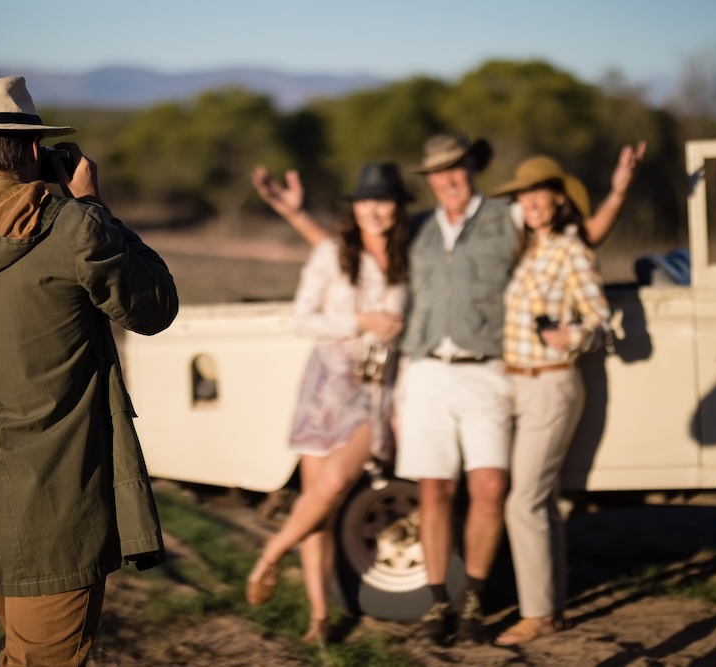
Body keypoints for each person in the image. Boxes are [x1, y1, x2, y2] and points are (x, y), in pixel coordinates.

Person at [271, 133, 642, 646]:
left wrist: (618, 193)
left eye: (457, 167)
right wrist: (296, 217)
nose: (448, 179)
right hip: (424, 373)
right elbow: (360, 242)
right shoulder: (417, 228)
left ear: (472, 168)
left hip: (487, 369)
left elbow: (579, 236)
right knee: (435, 490)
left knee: (490, 487)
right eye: (438, 172)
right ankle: (437, 604)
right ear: (430, 181)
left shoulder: (505, 218)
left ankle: (472, 601)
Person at [0, 76, 179, 666]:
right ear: (32, 151)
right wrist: (94, 203)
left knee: (21, 651)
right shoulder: (75, 229)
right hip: (60, 497)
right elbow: (155, 308)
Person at [245, 162, 412, 643]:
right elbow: (304, 319)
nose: (375, 210)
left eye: (384, 201)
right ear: (354, 208)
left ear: (398, 209)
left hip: (378, 389)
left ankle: (271, 553)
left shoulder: (410, 259)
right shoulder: (331, 254)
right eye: (366, 201)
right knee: (320, 509)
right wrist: (360, 322)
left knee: (334, 483)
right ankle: (319, 619)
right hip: (326, 385)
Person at [488, 157, 611, 646]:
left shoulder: (570, 250)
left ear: (559, 197)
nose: (532, 203)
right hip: (516, 384)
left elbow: (600, 319)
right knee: (540, 502)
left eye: (541, 193)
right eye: (524, 195)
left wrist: (574, 335)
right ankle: (551, 610)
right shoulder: (526, 252)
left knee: (524, 501)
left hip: (552, 383)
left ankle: (537, 614)